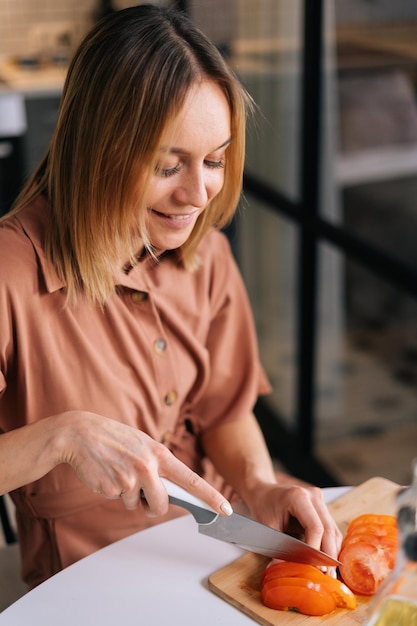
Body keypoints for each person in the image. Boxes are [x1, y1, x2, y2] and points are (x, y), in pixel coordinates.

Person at [0, 4, 342, 590]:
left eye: (214, 160)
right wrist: (59, 437)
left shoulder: (205, 256)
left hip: (221, 557)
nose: (198, 193)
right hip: (91, 584)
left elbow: (226, 413)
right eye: (167, 166)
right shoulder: (10, 271)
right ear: (97, 149)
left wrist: (261, 484)